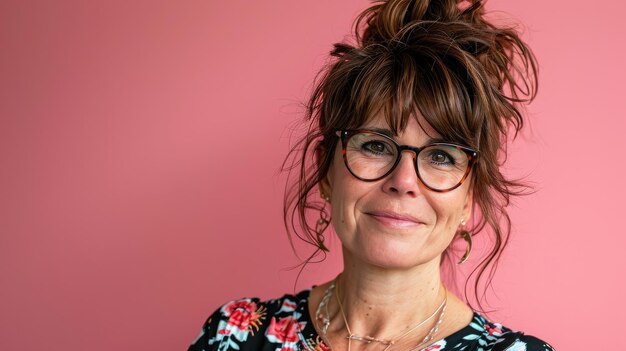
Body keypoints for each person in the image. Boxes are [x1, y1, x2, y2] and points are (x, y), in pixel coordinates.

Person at [188, 0, 554, 350]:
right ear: (326, 171)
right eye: (377, 146)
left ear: (468, 201)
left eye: (441, 157)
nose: (404, 181)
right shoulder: (232, 337)